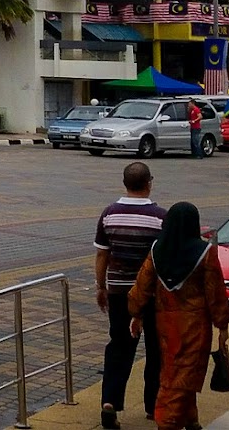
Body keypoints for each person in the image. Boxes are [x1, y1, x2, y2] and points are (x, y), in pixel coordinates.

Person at [129, 202, 229, 430]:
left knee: (173, 371)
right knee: (181, 378)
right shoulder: (205, 252)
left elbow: (142, 286)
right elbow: (216, 293)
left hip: (165, 325)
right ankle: (167, 423)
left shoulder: (157, 250)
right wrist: (222, 325)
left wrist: (136, 314)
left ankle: (190, 419)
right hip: (195, 327)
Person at [94, 163, 167, 429]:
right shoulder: (161, 217)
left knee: (119, 346)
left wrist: (101, 286)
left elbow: (102, 254)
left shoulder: (109, 214)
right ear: (150, 182)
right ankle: (153, 406)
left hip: (118, 292)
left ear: (124, 183)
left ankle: (110, 402)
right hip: (152, 294)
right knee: (156, 350)